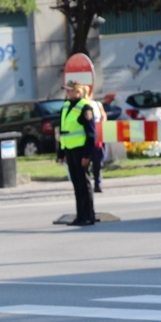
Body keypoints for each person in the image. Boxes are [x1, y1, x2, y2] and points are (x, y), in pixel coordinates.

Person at [56, 80, 97, 226]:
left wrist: (86, 155)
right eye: (66, 90)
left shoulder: (85, 107)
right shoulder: (66, 106)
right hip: (70, 150)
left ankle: (88, 216)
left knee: (84, 185)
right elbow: (63, 131)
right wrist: (60, 153)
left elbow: (91, 135)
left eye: (70, 90)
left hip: (81, 151)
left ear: (78, 92)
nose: (67, 93)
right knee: (76, 185)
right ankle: (80, 215)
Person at [83, 85, 107, 193]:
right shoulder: (82, 106)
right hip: (84, 137)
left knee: (97, 162)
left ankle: (97, 183)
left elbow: (103, 116)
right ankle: (87, 184)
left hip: (97, 136)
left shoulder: (97, 104)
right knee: (86, 162)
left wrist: (101, 124)